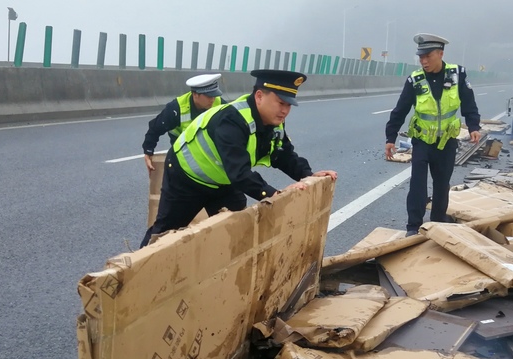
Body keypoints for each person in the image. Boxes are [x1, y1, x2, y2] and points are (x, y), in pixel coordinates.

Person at [141, 69, 338, 247]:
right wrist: (273, 194)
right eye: (280, 103)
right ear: (259, 96)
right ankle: (134, 278)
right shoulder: (233, 119)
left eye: (289, 105)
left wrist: (308, 175)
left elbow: (282, 154)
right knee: (165, 235)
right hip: (187, 178)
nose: (285, 110)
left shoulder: (274, 120)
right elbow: (240, 173)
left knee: (238, 233)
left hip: (223, 181)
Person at [385, 33, 482, 236]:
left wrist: (474, 126)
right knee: (417, 184)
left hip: (446, 142)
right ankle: (413, 227)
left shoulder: (457, 74)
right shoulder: (415, 80)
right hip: (422, 142)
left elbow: (468, 102)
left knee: (441, 185)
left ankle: (438, 222)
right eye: (421, 57)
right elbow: (400, 109)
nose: (423, 61)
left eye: (428, 56)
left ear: (440, 53)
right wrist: (390, 137)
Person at [142, 74, 224, 172]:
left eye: (214, 95)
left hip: (208, 150)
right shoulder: (176, 108)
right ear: (195, 95)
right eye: (209, 96)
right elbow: (155, 128)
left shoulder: (220, 105)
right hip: (182, 151)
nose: (213, 99)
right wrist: (148, 151)